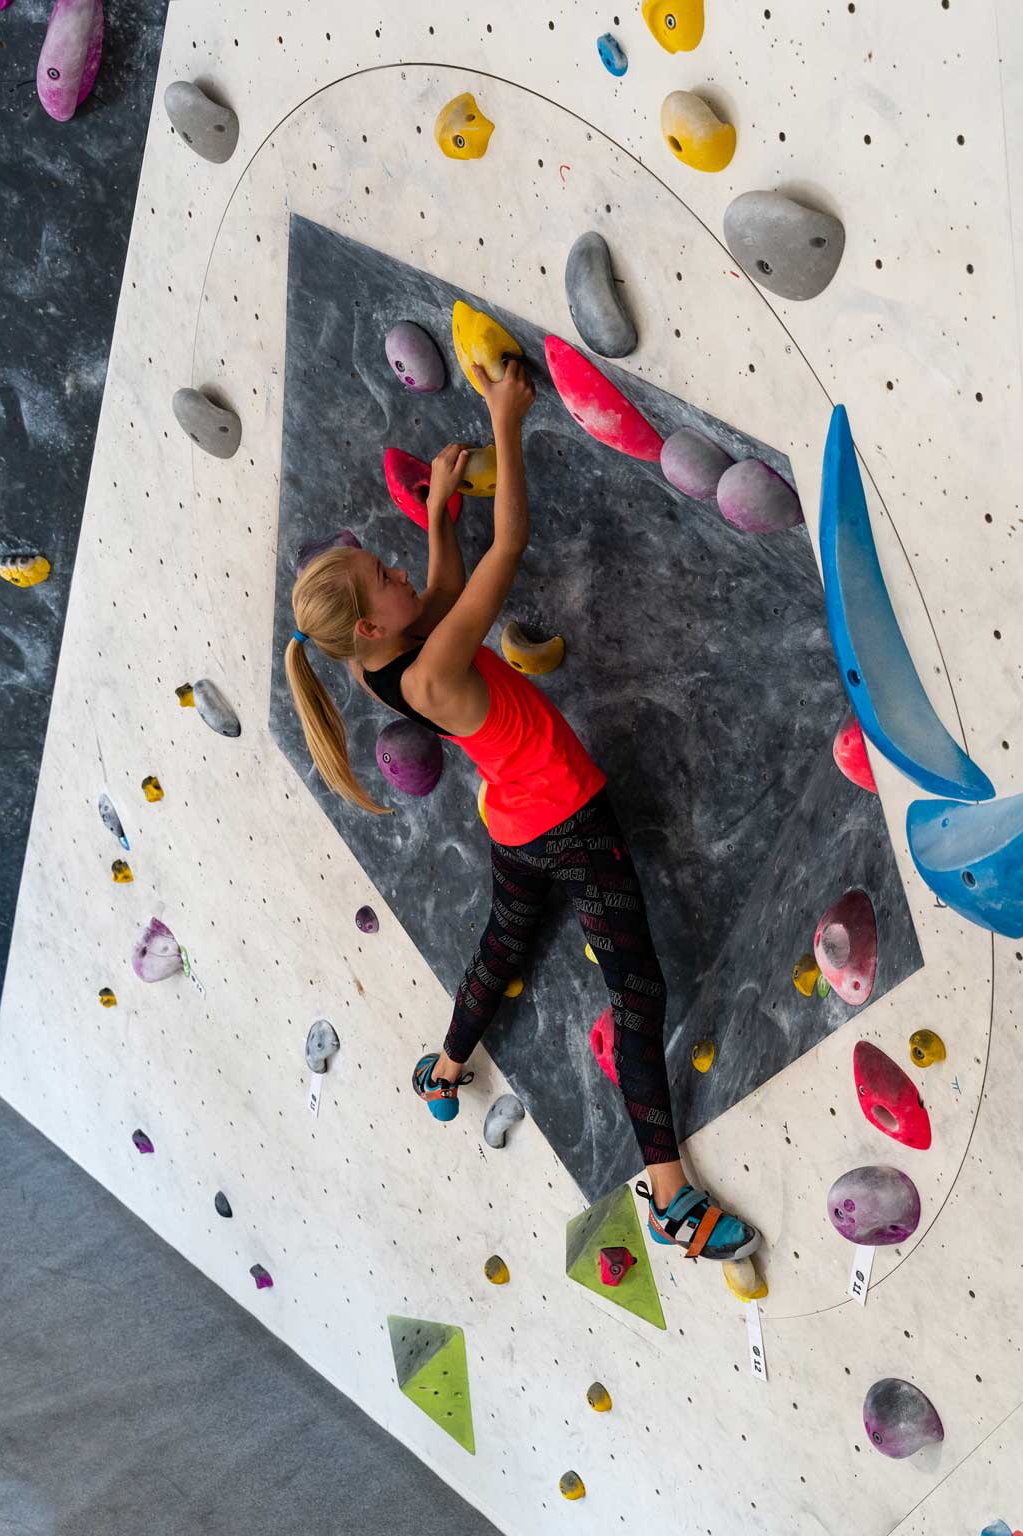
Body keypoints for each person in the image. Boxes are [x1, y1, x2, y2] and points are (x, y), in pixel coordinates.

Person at [284, 356, 760, 1263]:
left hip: (514, 821)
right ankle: (668, 1196)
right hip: (569, 821)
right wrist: (508, 421)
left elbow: (434, 594)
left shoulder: (369, 658)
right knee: (638, 988)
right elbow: (502, 558)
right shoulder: (426, 666)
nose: (397, 574)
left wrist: (434, 519)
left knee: (505, 945)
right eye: (382, 574)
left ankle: (446, 1068)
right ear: (372, 627)